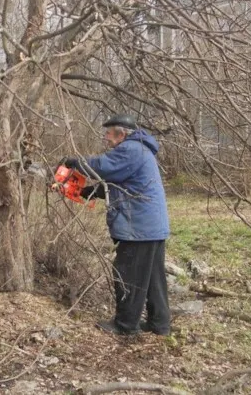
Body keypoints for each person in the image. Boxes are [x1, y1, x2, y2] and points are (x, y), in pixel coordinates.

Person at [62, 114, 171, 336]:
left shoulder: (131, 149)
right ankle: (159, 324)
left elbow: (103, 167)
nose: (105, 138)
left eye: (108, 134)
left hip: (138, 227)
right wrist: (87, 192)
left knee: (127, 274)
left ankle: (125, 325)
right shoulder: (141, 150)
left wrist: (76, 162)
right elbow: (121, 184)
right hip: (151, 226)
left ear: (121, 134)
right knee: (152, 278)